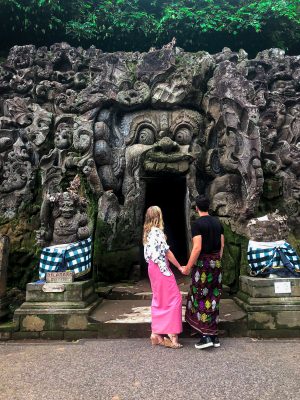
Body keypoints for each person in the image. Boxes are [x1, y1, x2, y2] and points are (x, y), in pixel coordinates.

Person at [182, 195, 224, 349]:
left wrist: (187, 266)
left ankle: (206, 336)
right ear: (209, 207)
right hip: (216, 264)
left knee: (201, 296)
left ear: (196, 208)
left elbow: (197, 247)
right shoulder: (218, 223)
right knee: (214, 297)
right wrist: (216, 262)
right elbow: (222, 247)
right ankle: (214, 335)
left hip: (203, 264)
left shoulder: (197, 224)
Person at [143, 206, 183, 349]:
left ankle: (156, 333)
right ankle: (172, 335)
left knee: (159, 299)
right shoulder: (157, 232)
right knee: (174, 298)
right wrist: (179, 267)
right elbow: (167, 252)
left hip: (152, 269)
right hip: (161, 268)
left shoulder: (147, 233)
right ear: (158, 216)